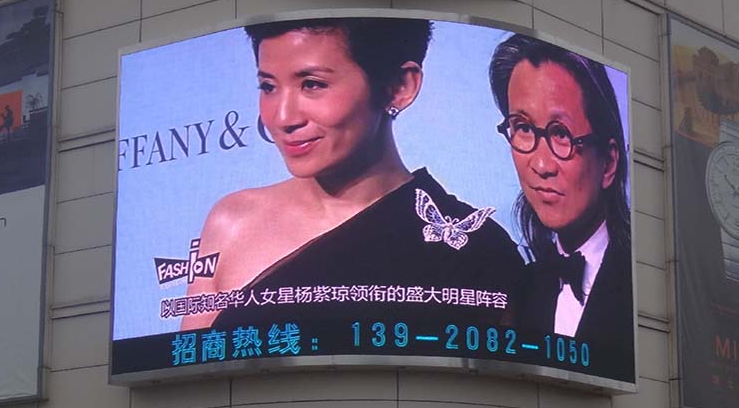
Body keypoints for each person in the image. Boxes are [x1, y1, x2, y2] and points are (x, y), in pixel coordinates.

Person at [182, 18, 523, 331]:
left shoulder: (477, 251)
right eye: (268, 87)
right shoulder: (231, 223)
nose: (283, 117)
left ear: (399, 86)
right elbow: (195, 367)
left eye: (312, 84)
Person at [489, 33, 635, 383]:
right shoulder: (518, 290)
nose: (541, 165)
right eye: (523, 128)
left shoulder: (641, 281)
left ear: (609, 162)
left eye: (561, 134)